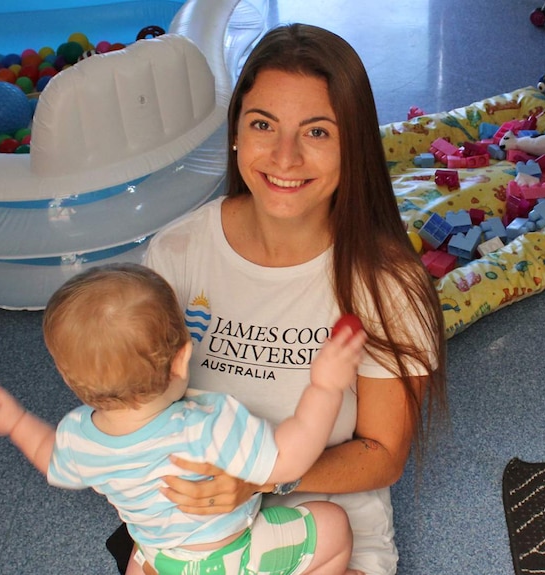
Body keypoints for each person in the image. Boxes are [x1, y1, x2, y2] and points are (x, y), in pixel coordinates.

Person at [113, 22, 448, 575]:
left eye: (316, 132)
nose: (285, 157)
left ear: (353, 146)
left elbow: (383, 455)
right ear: (237, 132)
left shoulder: (388, 282)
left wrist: (260, 478)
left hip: (332, 526)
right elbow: (139, 404)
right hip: (199, 526)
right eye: (263, 124)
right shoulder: (175, 254)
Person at [0, 263, 368, 575]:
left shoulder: (79, 437)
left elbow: (47, 454)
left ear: (70, 379)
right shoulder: (206, 424)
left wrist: (16, 422)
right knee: (333, 525)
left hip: (158, 560)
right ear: (183, 359)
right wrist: (325, 387)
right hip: (233, 560)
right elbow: (289, 459)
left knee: (139, 557)